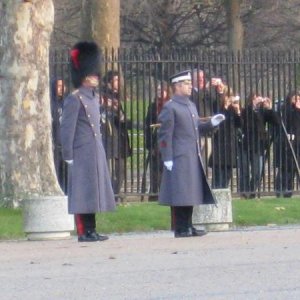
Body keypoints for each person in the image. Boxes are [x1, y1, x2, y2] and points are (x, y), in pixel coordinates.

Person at [157, 69, 225, 238]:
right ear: (177, 86)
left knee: (190, 192)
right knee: (181, 193)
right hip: (179, 156)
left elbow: (196, 128)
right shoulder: (170, 107)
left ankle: (189, 224)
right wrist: (167, 157)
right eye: (186, 84)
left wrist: (211, 123)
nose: (190, 86)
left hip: (192, 154)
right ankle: (181, 227)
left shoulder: (191, 105)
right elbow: (165, 135)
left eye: (189, 83)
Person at [60, 41, 115, 242]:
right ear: (83, 76)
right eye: (92, 74)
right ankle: (83, 231)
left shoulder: (93, 97)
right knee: (82, 193)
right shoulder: (75, 99)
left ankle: (91, 229)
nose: (96, 77)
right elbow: (67, 129)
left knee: (92, 192)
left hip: (94, 150)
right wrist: (68, 155)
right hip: (81, 151)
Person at [239, 92, 279, 198]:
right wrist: (253, 106)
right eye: (255, 99)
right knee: (245, 171)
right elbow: (244, 118)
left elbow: (276, 122)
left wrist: (270, 108)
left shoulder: (263, 112)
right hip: (246, 144)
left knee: (258, 172)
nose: (258, 100)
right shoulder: (246, 110)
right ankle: (244, 193)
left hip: (258, 145)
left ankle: (252, 192)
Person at [100, 70, 132, 202]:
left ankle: (114, 195)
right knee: (109, 170)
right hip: (109, 138)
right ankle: (109, 196)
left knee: (121, 171)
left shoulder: (117, 97)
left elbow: (122, 119)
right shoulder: (103, 97)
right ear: (108, 83)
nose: (119, 83)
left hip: (120, 138)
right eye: (116, 80)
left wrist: (123, 118)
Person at [208, 87, 242, 188]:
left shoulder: (233, 109)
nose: (230, 99)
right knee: (218, 172)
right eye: (228, 96)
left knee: (228, 172)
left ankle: (224, 190)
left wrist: (238, 112)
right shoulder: (218, 106)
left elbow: (239, 124)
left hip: (230, 143)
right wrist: (225, 107)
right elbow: (218, 119)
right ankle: (216, 191)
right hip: (219, 142)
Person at [144, 81, 170, 200]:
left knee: (166, 171)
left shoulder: (170, 105)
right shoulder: (153, 106)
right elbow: (147, 125)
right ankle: (154, 195)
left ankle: (166, 195)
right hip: (156, 142)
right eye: (158, 90)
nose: (159, 92)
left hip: (168, 142)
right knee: (155, 173)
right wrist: (149, 145)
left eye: (161, 90)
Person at [275, 91, 300, 197]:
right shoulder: (286, 109)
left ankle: (288, 191)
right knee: (287, 170)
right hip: (288, 144)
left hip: (298, 143)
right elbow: (285, 121)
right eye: (295, 98)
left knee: (295, 169)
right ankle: (283, 191)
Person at [50, 78, 68, 193]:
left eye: (63, 85)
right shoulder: (51, 103)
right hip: (55, 144)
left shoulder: (67, 102)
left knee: (66, 174)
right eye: (58, 86)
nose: (61, 89)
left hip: (66, 143)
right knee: (56, 170)